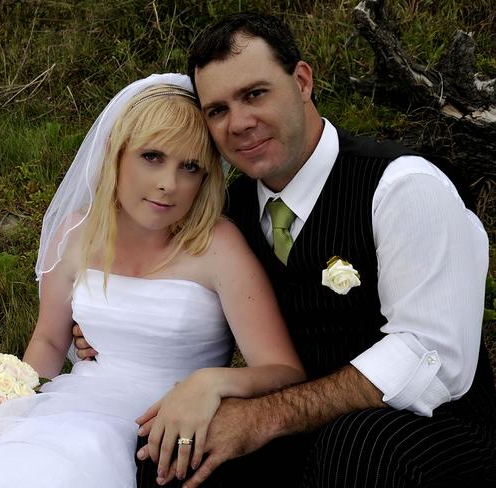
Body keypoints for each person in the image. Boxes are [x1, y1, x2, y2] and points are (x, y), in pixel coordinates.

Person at [74, 13, 496, 487]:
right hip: (303, 429)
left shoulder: (401, 187)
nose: (240, 123)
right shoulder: (226, 214)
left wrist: (264, 417)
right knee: (165, 453)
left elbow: (430, 358)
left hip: (435, 436)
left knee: (359, 445)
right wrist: (106, 328)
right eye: (217, 110)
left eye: (255, 94)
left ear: (301, 81)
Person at [0, 73, 305, 487]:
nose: (169, 183)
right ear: (114, 153)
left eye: (190, 168)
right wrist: (9, 400)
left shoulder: (217, 245)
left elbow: (283, 370)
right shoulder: (76, 232)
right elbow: (49, 341)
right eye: (152, 157)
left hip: (157, 427)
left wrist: (214, 382)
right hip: (72, 402)